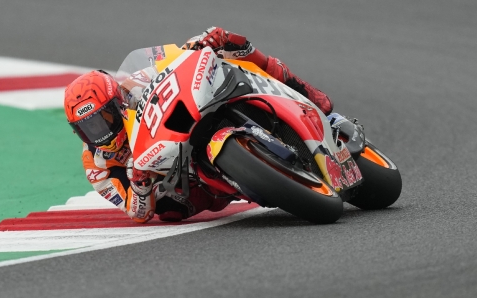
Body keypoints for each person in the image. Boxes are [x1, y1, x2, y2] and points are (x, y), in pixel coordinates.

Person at [64, 27, 335, 224]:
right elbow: (137, 213)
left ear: (118, 102)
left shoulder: (134, 84)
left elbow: (171, 59)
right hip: (178, 178)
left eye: (104, 120)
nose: (101, 134)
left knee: (229, 47)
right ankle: (240, 177)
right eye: (88, 129)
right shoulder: (97, 167)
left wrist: (198, 43)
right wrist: (140, 184)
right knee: (169, 210)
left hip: (186, 118)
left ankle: (304, 91)